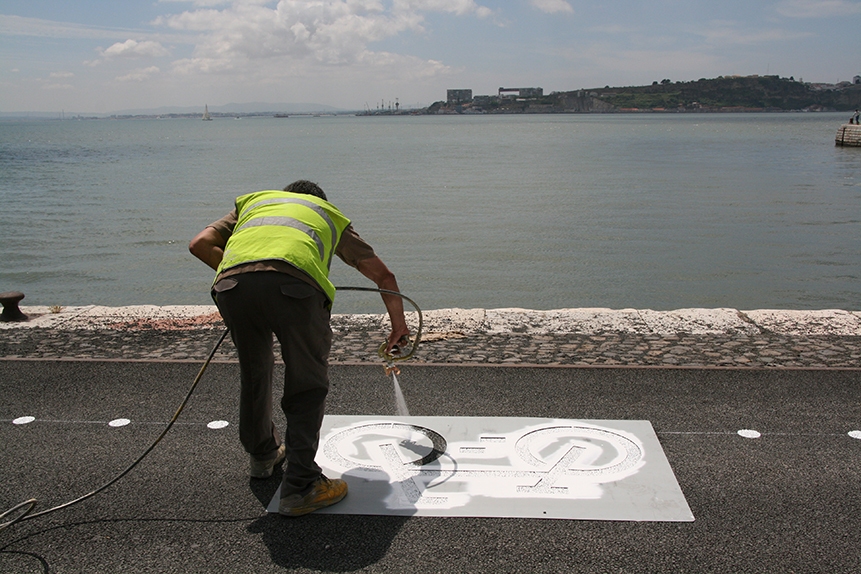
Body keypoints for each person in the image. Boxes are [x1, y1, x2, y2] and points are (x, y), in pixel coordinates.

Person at [189, 180, 410, 516]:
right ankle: (301, 485)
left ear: (286, 194)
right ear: (317, 201)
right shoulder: (328, 214)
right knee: (306, 384)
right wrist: (399, 327)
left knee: (254, 373)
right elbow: (384, 276)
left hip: (232, 285)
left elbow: (199, 244)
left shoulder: (254, 202)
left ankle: (262, 456)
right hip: (296, 292)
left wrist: (247, 280)